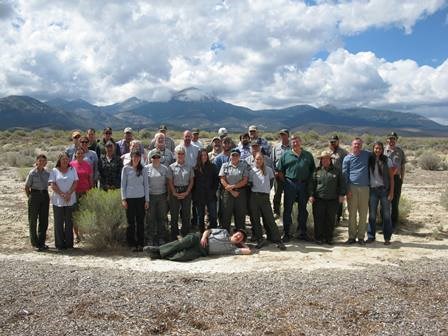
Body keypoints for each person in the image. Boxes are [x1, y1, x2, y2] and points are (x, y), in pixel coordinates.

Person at [277, 134, 315, 242]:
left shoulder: (307, 155)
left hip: (303, 185)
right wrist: (286, 182)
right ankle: (287, 233)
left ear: (301, 142)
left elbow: (312, 170)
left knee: (303, 209)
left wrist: (309, 185)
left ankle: (302, 232)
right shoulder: (286, 155)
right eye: (293, 142)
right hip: (290, 184)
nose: (295, 143)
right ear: (290, 143)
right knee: (287, 209)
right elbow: (280, 171)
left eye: (297, 141)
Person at [249, 153, 286, 250]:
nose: (259, 161)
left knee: (270, 218)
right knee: (255, 219)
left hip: (265, 197)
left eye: (260, 159)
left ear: (263, 160)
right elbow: (250, 183)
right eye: (257, 159)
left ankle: (277, 240)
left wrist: (265, 190)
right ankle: (260, 239)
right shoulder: (251, 171)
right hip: (254, 196)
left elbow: (271, 181)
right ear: (254, 160)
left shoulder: (268, 170)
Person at [308, 151, 346, 245]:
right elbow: (311, 184)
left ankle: (329, 238)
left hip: (332, 200)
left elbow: (342, 184)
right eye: (323, 159)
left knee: (330, 219)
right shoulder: (316, 171)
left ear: (330, 160)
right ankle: (318, 238)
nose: (325, 160)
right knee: (318, 219)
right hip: (318, 199)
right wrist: (311, 195)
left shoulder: (336, 171)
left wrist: (341, 195)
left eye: (327, 158)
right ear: (321, 160)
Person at [144, 228, 251, 261]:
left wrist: (241, 243)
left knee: (182, 257)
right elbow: (208, 230)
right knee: (181, 244)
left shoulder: (232, 249)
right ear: (234, 233)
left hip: (202, 251)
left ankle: (158, 255)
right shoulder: (224, 231)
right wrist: (204, 237)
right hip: (198, 238)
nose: (238, 236)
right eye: (238, 234)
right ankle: (157, 249)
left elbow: (248, 251)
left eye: (240, 237)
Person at [342, 137, 371, 245]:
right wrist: (347, 189)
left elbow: (378, 156)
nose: (357, 146)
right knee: (352, 214)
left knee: (363, 214)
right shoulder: (347, 158)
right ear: (351, 145)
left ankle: (361, 237)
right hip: (352, 188)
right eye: (355, 144)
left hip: (365, 188)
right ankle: (351, 237)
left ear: (362, 145)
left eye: (359, 144)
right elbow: (345, 175)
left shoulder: (367, 155)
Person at [49, 152, 79, 250]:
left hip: (70, 199)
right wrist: (62, 194)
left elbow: (75, 182)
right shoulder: (54, 170)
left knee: (69, 222)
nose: (65, 161)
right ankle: (60, 244)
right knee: (59, 222)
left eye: (66, 159)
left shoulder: (72, 169)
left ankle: (69, 244)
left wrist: (69, 193)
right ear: (59, 160)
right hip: (58, 200)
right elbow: (52, 184)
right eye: (63, 159)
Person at [121, 150, 149, 252]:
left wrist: (147, 200)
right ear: (131, 157)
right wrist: (123, 199)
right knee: (130, 222)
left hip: (141, 198)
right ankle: (131, 243)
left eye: (138, 157)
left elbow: (146, 185)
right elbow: (123, 185)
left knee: (140, 221)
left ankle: (141, 243)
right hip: (129, 199)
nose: (136, 158)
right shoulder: (126, 169)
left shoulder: (143, 169)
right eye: (135, 156)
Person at [367, 142, 395, 245]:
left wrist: (391, 192)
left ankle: (387, 238)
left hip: (384, 190)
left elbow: (392, 178)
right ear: (373, 149)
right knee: (372, 214)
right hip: (372, 190)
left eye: (379, 148)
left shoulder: (387, 160)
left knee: (386, 215)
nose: (377, 150)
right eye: (375, 148)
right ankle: (371, 236)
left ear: (382, 149)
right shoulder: (369, 159)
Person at [167, 145, 195, 241]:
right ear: (175, 155)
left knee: (186, 213)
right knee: (174, 214)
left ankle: (185, 233)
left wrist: (187, 192)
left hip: (186, 191)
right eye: (179, 153)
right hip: (174, 191)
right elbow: (170, 181)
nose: (181, 155)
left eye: (182, 153)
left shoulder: (189, 167)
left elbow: (191, 181)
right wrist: (174, 192)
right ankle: (174, 235)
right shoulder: (171, 167)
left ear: (185, 155)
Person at [219, 148, 249, 232]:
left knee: (240, 214)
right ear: (230, 156)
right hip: (228, 192)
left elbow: (245, 180)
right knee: (226, 214)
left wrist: (233, 186)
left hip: (240, 192)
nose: (234, 157)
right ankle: (225, 235)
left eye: (237, 155)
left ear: (239, 156)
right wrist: (231, 190)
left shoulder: (244, 165)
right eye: (233, 155)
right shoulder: (225, 165)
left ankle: (240, 236)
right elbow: (222, 179)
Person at [24, 154, 50, 251]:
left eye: (44, 161)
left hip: (44, 195)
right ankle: (34, 243)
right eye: (40, 160)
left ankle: (41, 242)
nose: (42, 162)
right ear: (36, 162)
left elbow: (51, 184)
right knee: (33, 220)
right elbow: (26, 187)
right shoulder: (32, 173)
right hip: (34, 195)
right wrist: (30, 197)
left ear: (46, 162)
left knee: (44, 220)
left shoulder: (47, 173)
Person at [145, 150, 170, 246]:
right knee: (150, 218)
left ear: (160, 158)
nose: (156, 159)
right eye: (154, 157)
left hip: (162, 195)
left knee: (162, 217)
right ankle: (150, 238)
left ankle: (161, 238)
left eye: (157, 157)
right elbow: (145, 184)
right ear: (151, 158)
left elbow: (168, 183)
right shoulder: (146, 168)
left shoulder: (165, 169)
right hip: (151, 196)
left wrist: (168, 195)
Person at [70, 147, 93, 243]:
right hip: (74, 192)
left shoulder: (87, 165)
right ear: (75, 155)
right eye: (78, 153)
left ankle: (82, 234)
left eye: (81, 153)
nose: (79, 155)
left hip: (85, 192)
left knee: (83, 213)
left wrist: (91, 191)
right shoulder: (71, 165)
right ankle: (76, 235)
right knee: (75, 213)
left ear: (84, 155)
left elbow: (90, 179)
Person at [192, 148, 219, 232]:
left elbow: (216, 181)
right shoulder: (195, 168)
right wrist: (194, 196)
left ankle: (213, 233)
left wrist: (213, 191)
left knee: (213, 216)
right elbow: (193, 184)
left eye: (205, 155)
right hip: (199, 196)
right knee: (200, 216)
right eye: (202, 155)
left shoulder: (213, 167)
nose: (204, 157)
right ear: (199, 157)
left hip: (210, 195)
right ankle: (201, 234)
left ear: (207, 156)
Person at [385, 132, 406, 230]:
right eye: (390, 138)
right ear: (387, 139)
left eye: (393, 139)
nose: (391, 140)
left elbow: (402, 166)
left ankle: (393, 225)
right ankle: (385, 224)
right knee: (385, 202)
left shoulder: (400, 151)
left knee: (395, 202)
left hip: (396, 179)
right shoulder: (382, 150)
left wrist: (402, 179)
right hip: (384, 179)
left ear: (396, 140)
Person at [329, 134, 348, 223]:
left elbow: (347, 164)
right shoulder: (328, 151)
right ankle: (331, 216)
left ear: (338, 142)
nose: (333, 143)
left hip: (340, 178)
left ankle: (338, 217)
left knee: (339, 198)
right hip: (329, 179)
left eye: (334, 141)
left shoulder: (343, 152)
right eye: (331, 141)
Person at [271, 129, 290, 218]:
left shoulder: (292, 147)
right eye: (281, 135)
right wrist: (274, 171)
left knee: (289, 194)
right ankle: (276, 211)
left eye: (284, 135)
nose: (282, 136)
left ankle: (288, 212)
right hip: (278, 175)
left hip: (290, 175)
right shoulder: (276, 147)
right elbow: (272, 161)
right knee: (277, 194)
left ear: (288, 136)